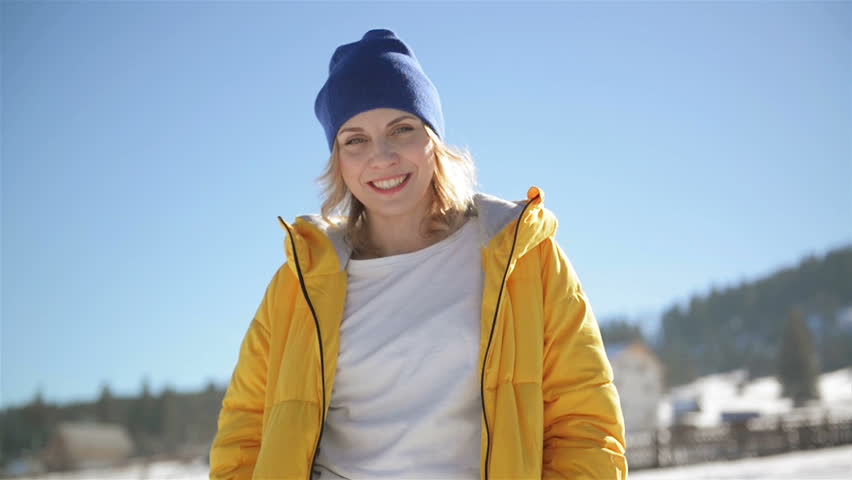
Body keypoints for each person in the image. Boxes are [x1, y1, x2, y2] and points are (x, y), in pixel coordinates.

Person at [209, 29, 627, 480]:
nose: (382, 156)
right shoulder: (300, 282)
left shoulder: (523, 257)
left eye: (401, 130)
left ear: (434, 139)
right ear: (338, 161)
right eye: (355, 140)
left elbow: (584, 426)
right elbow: (245, 435)